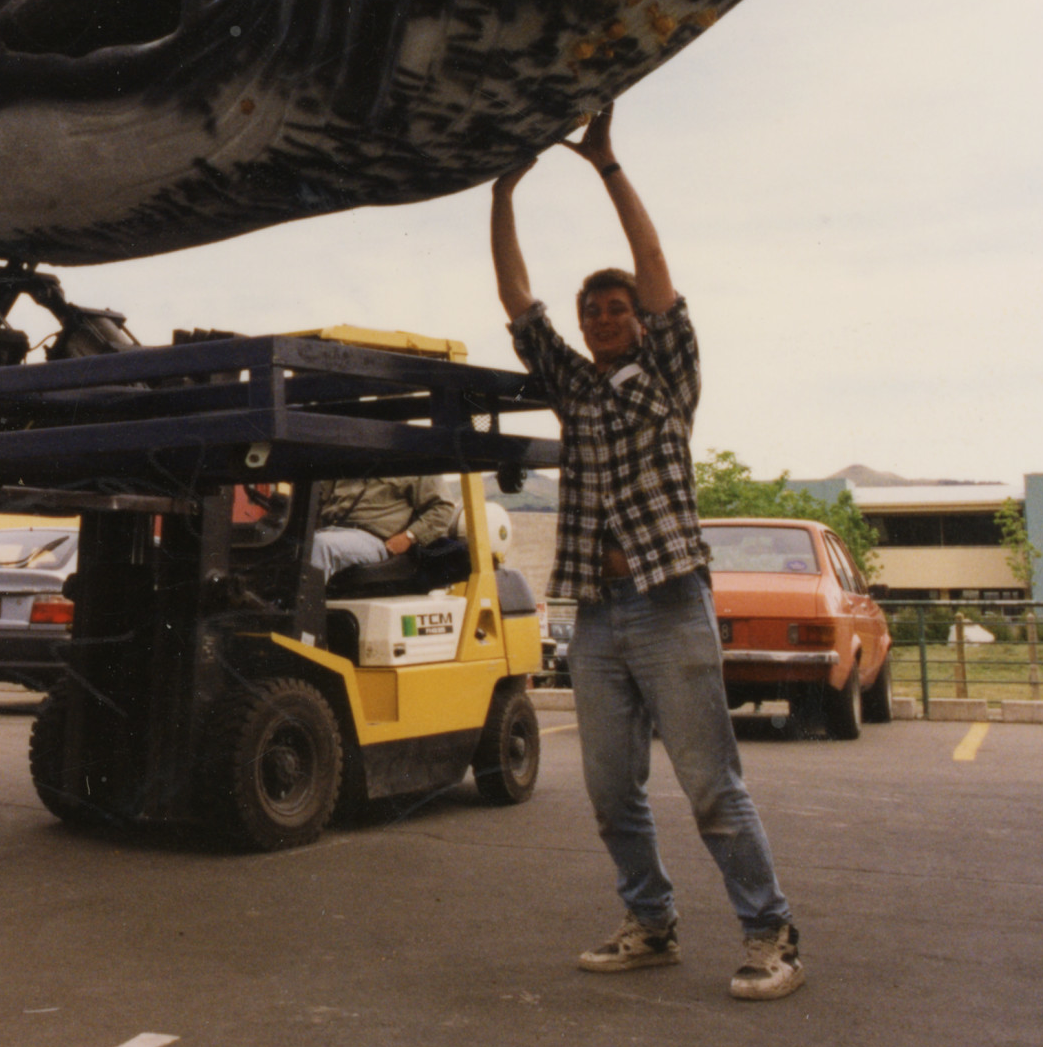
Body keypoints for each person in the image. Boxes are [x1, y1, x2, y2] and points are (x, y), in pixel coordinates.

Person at [488, 104, 804, 1002]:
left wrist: (607, 166)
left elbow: (659, 271)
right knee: (608, 792)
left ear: (638, 318)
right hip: (595, 612)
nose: (601, 318)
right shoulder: (575, 389)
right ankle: (651, 923)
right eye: (593, 311)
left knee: (711, 785)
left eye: (614, 307)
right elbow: (518, 299)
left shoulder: (668, 375)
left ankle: (770, 931)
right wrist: (504, 192)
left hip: (668, 602)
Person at [308, 473, 461, 579]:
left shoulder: (414, 461)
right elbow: (318, 498)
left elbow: (443, 507)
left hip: (373, 539)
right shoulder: (349, 458)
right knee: (294, 544)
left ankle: (304, 622)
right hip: (330, 531)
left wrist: (409, 536)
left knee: (322, 545)